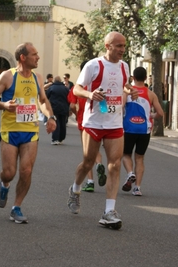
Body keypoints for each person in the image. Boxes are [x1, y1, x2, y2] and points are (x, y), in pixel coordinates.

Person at [67, 31, 138, 230]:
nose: (122, 50)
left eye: (124, 46)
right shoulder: (93, 65)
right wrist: (90, 94)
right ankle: (75, 189)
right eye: (118, 46)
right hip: (94, 122)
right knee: (88, 162)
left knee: (114, 165)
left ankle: (109, 212)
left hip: (115, 123)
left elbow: (122, 84)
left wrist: (128, 90)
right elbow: (76, 89)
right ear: (108, 46)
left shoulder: (124, 66)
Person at [0, 42, 56, 224]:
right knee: (9, 172)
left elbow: (43, 100)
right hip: (10, 130)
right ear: (23, 57)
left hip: (30, 130)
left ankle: (16, 207)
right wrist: (4, 105)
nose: (38, 57)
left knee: (26, 170)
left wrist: (50, 117)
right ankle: (5, 184)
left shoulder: (37, 77)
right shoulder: (8, 76)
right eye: (34, 54)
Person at [122, 67, 163, 196]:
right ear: (146, 78)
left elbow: (121, 106)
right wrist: (151, 116)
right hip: (144, 130)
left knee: (126, 154)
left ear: (133, 78)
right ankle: (137, 188)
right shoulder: (151, 94)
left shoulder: (128, 91)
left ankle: (130, 173)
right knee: (140, 158)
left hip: (128, 128)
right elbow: (160, 113)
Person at [68, 61, 107, 192]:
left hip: (83, 121)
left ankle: (90, 182)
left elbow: (72, 105)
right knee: (95, 150)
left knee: (87, 153)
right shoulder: (98, 85)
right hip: (98, 121)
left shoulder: (78, 87)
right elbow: (104, 106)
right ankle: (100, 164)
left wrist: (76, 114)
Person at [46, 76, 70, 145]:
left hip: (54, 108)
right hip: (64, 108)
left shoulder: (51, 88)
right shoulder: (66, 89)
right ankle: (61, 138)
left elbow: (46, 97)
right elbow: (69, 99)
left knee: (56, 123)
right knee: (63, 123)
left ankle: (55, 139)